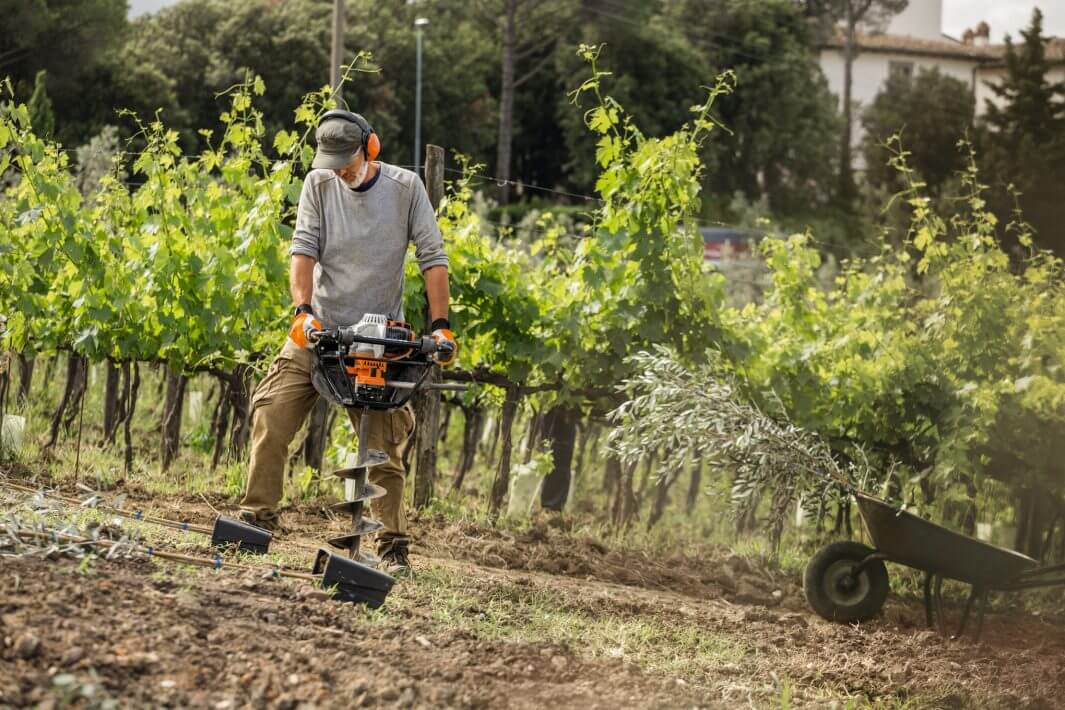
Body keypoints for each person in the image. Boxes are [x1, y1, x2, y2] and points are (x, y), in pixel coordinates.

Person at [238, 110, 455, 577]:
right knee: (271, 413)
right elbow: (303, 249)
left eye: (348, 160)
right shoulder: (318, 184)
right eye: (332, 160)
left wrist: (441, 325)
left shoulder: (405, 189)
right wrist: (303, 313)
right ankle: (257, 519)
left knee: (382, 448)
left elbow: (433, 258)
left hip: (376, 341)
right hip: (321, 332)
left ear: (370, 148)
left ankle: (392, 547)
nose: (341, 169)